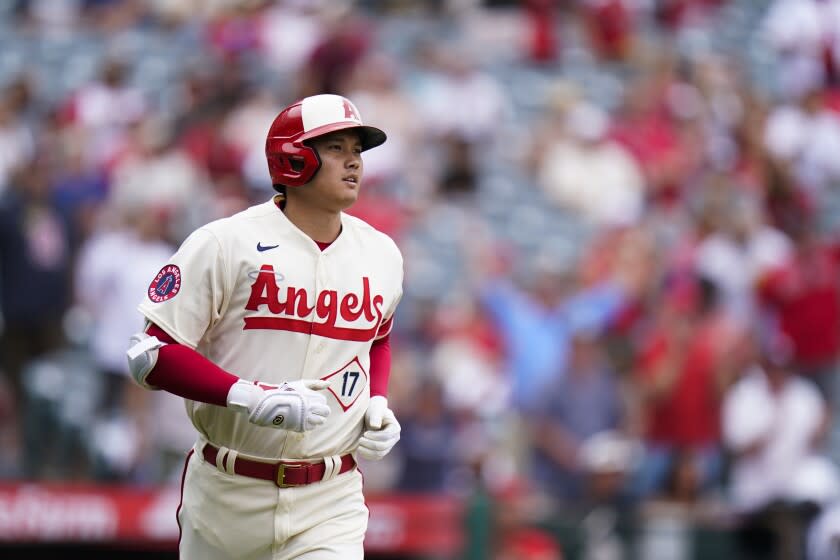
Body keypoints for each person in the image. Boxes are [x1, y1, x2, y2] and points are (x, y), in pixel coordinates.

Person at [125, 94, 404, 559]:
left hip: (330, 497)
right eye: (336, 147)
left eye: (357, 149)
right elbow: (149, 357)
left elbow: (379, 339)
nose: (354, 161)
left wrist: (377, 402)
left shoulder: (381, 254)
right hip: (226, 493)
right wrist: (249, 397)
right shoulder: (224, 243)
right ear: (294, 157)